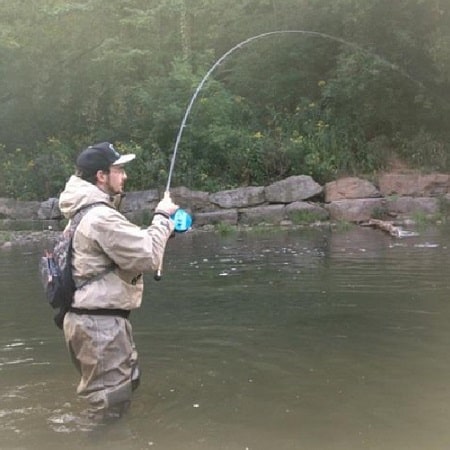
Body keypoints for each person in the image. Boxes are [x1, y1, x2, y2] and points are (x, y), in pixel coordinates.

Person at [58, 142, 178, 421]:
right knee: (109, 411)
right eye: (119, 169)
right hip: (99, 327)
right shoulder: (100, 216)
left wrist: (159, 231)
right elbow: (147, 256)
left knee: (124, 388)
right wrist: (162, 217)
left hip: (94, 322)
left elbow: (128, 248)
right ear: (101, 176)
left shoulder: (86, 212)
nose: (124, 176)